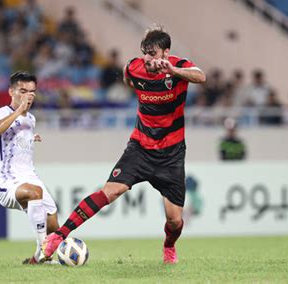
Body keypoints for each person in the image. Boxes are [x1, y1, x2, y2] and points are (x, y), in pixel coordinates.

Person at [42, 25, 206, 264]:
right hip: (139, 148)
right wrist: (133, 80)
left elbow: (201, 76)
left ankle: (169, 246)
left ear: (166, 53)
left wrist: (173, 70)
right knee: (110, 191)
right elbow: (128, 74)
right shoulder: (135, 67)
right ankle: (59, 236)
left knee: (174, 220)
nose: (148, 59)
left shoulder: (178, 66)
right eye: (146, 53)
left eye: (154, 53)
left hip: (171, 154)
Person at [0, 71, 59, 264]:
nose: (28, 95)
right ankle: (45, 251)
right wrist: (18, 111)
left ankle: (37, 258)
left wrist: (30, 138)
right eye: (23, 91)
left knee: (53, 223)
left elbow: (17, 138)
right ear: (11, 91)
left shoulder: (31, 119)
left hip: (30, 177)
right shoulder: (0, 113)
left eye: (32, 92)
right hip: (7, 182)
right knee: (35, 193)